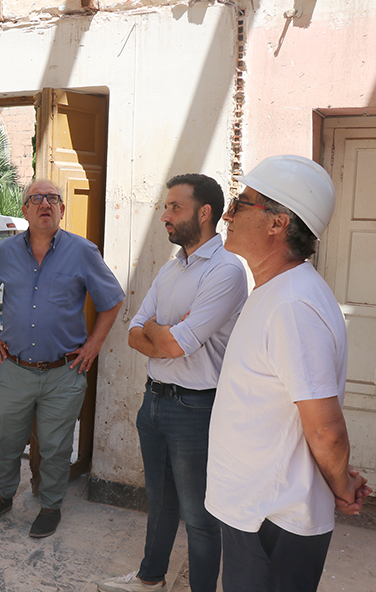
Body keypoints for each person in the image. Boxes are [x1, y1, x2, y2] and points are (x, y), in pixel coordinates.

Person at [205, 155, 372, 592]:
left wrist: (341, 487)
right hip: (258, 512)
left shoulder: (293, 305)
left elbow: (326, 431)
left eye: (241, 203)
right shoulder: (276, 292)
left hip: (275, 518)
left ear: (278, 223)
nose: (228, 213)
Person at [98, 175, 247, 592]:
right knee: (160, 503)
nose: (165, 216)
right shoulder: (169, 270)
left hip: (196, 409)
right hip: (155, 402)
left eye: (174, 207)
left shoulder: (227, 271)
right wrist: (164, 333)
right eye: (165, 207)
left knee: (199, 516)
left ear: (204, 213)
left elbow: (177, 346)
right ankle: (150, 579)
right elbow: (133, 332)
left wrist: (162, 334)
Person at [0, 179, 124, 538]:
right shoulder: (5, 252)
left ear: (61, 209)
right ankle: (2, 495)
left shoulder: (83, 251)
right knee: (7, 440)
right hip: (16, 369)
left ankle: (51, 504)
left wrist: (94, 345)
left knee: (56, 446)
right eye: (36, 199)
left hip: (63, 371)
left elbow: (112, 300)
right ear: (25, 209)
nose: (45, 204)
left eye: (52, 198)